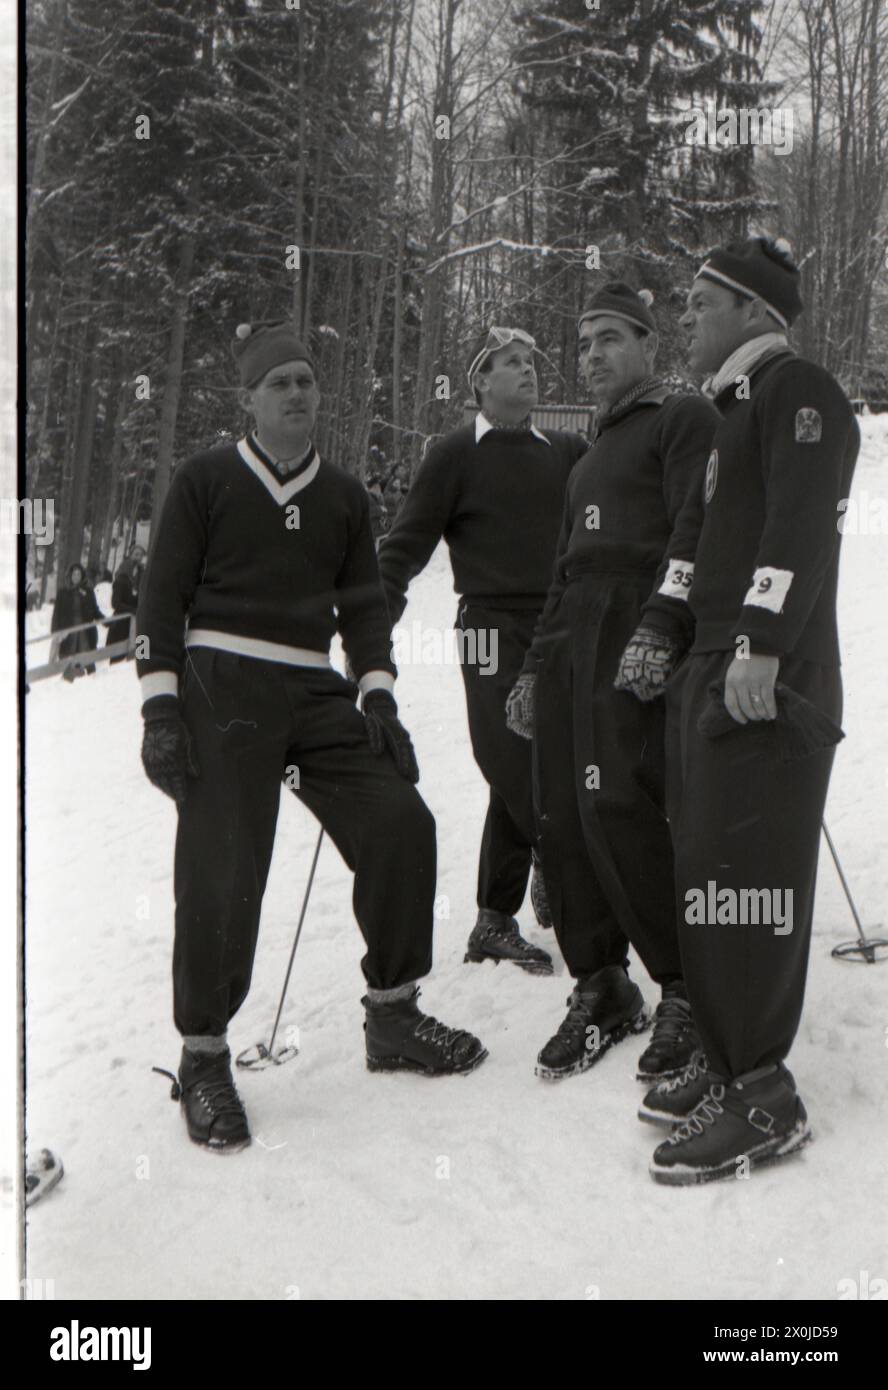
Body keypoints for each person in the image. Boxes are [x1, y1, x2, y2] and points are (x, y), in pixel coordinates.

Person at [136, 319, 486, 1154]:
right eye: (278, 383)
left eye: (306, 381)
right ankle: (206, 1054)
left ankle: (394, 1013)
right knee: (225, 865)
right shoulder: (206, 480)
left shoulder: (345, 497)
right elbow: (161, 599)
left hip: (313, 684)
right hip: (224, 682)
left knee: (403, 821)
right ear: (250, 400)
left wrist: (379, 696)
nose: (297, 394)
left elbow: (364, 606)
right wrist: (159, 707)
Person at [645, 236, 860, 1185]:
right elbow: (694, 539)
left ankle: (764, 1092)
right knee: (705, 863)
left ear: (755, 312)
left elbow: (802, 520)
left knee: (750, 874)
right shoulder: (725, 412)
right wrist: (663, 625)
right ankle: (728, 1057)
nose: (684, 317)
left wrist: (764, 638)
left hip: (767, 668)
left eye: (701, 301)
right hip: (711, 661)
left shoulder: (797, 389)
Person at [506, 284, 720, 1081]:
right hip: (571, 637)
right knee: (560, 812)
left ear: (647, 343)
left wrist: (665, 623)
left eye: (609, 340)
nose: (592, 356)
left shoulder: (682, 418)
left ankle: (686, 987)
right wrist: (532, 668)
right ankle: (601, 984)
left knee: (621, 801)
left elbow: (698, 528)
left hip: (637, 622)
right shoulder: (587, 456)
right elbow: (562, 571)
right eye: (584, 344)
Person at [377, 327, 589, 975]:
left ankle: (494, 921)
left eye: (530, 361)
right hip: (488, 628)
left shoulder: (569, 452)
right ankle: (557, 862)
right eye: (509, 364)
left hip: (560, 625)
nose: (527, 372)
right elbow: (405, 547)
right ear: (478, 383)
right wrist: (370, 627)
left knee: (537, 762)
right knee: (510, 757)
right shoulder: (453, 456)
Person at [51, 562, 101, 675]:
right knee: (69, 654)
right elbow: (56, 613)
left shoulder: (88, 592)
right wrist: (55, 630)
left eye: (79, 574)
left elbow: (95, 610)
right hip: (68, 630)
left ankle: (90, 677)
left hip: (84, 629)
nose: (76, 577)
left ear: (82, 576)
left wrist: (104, 619)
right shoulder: (63, 592)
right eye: (74, 574)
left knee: (86, 653)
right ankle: (71, 677)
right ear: (70, 576)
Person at [106, 552, 143, 662]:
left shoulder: (140, 582)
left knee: (140, 656)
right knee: (117, 660)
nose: (136, 572)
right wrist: (133, 610)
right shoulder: (121, 581)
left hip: (137, 624)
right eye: (134, 569)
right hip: (121, 625)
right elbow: (115, 603)